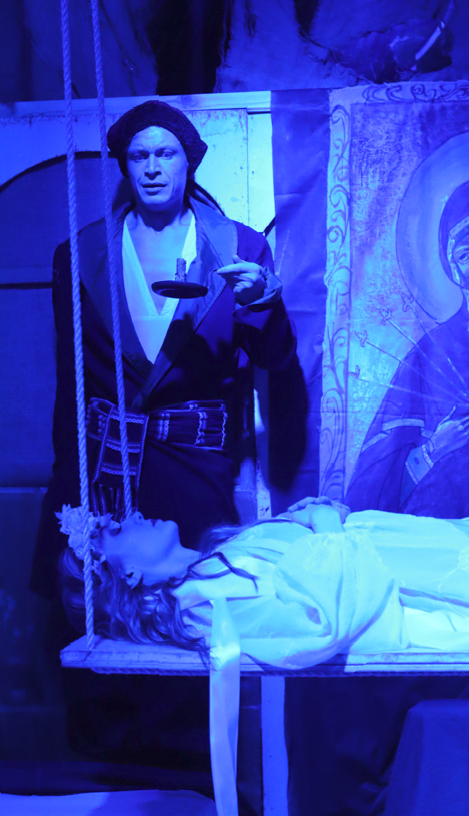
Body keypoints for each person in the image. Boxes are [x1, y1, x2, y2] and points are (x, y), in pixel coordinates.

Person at [31, 100, 295, 598]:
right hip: (100, 464)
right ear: (125, 166)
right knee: (88, 614)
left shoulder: (239, 247)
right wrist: (67, 471)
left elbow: (275, 362)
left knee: (194, 610)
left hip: (192, 467)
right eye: (139, 156)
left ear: (188, 162)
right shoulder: (80, 253)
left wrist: (261, 300)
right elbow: (71, 380)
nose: (152, 168)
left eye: (166, 154)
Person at [57, 497, 469, 669]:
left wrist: (304, 517)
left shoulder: (212, 564)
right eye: (116, 530)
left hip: (419, 556)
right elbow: (316, 620)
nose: (131, 516)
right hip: (424, 594)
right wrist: (324, 521)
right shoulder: (202, 602)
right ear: (128, 574)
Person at [345, 180, 469, 518]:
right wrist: (433, 450)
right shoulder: (429, 354)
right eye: (466, 254)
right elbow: (376, 479)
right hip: (443, 527)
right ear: (453, 267)